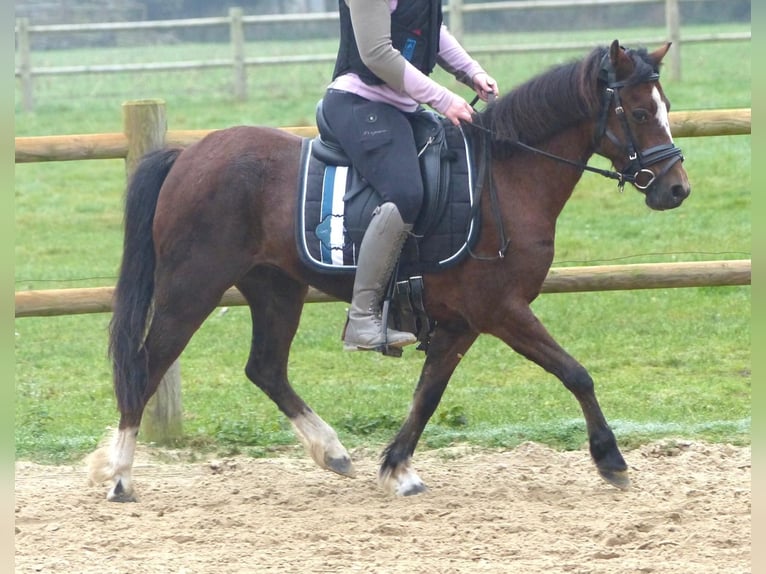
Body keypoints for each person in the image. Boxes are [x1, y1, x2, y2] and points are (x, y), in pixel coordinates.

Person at [322, 0, 498, 352]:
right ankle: (361, 320)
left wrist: (471, 71)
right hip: (359, 104)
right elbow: (376, 54)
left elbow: (430, 30)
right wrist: (443, 98)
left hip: (403, 107)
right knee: (405, 193)